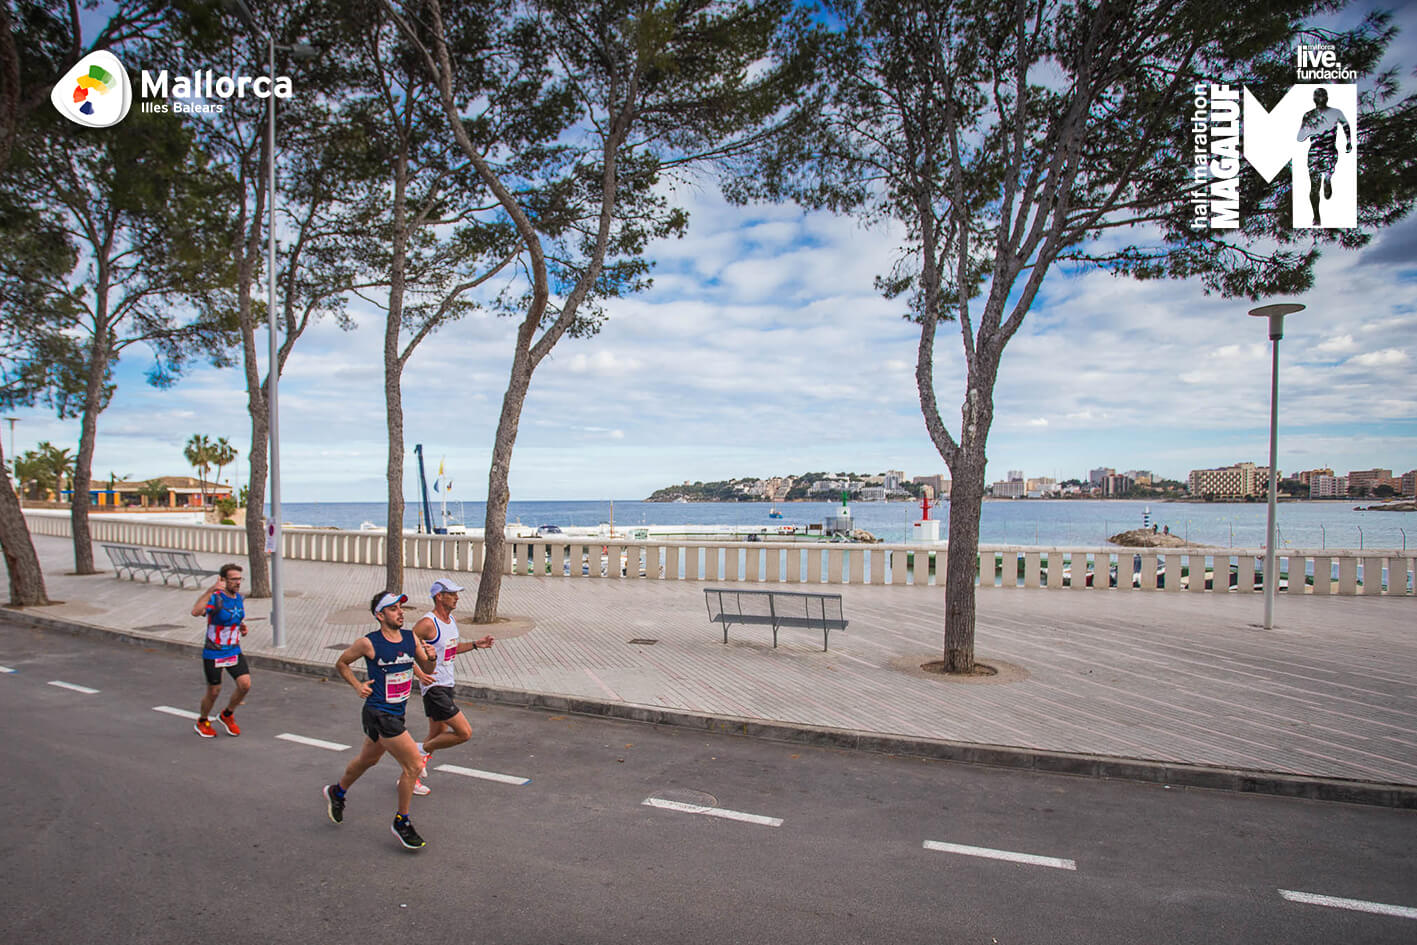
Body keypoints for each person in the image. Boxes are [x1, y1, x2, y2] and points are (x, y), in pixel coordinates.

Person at [323, 591, 437, 850]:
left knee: (368, 760)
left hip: (397, 712)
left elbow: (428, 669)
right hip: (379, 713)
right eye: (393, 609)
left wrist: (431, 657)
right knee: (413, 765)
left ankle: (337, 791)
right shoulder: (368, 643)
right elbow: (342, 663)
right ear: (380, 615)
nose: (400, 612)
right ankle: (401, 821)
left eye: (400, 608)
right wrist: (357, 685)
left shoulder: (410, 638)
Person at [408, 578, 495, 795]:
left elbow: (450, 649)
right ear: (439, 597)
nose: (457, 598)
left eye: (457, 594)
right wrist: (419, 673)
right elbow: (404, 648)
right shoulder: (427, 623)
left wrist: (475, 644)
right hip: (434, 687)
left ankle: (409, 779)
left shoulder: (450, 620)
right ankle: (417, 751)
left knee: (437, 734)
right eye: (452, 594)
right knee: (464, 732)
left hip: (447, 683)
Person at [191, 563, 249, 738]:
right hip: (214, 652)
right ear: (223, 580)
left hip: (233, 650)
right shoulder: (216, 598)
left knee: (245, 685)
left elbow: (234, 617)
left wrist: (241, 626)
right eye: (233, 579)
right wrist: (211, 590)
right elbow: (196, 612)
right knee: (214, 691)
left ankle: (227, 714)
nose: (237, 582)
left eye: (239, 579)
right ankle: (202, 721)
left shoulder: (239, 598)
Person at [1297, 87, 1353, 226]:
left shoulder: (1335, 112)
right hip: (1315, 153)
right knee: (1314, 186)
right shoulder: (1309, 115)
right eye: (1319, 97)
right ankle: (1316, 215)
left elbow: (1346, 125)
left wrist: (1349, 142)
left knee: (1325, 175)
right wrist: (1310, 130)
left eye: (1322, 97)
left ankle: (1327, 179)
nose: (1321, 100)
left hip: (1329, 151)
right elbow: (1300, 137)